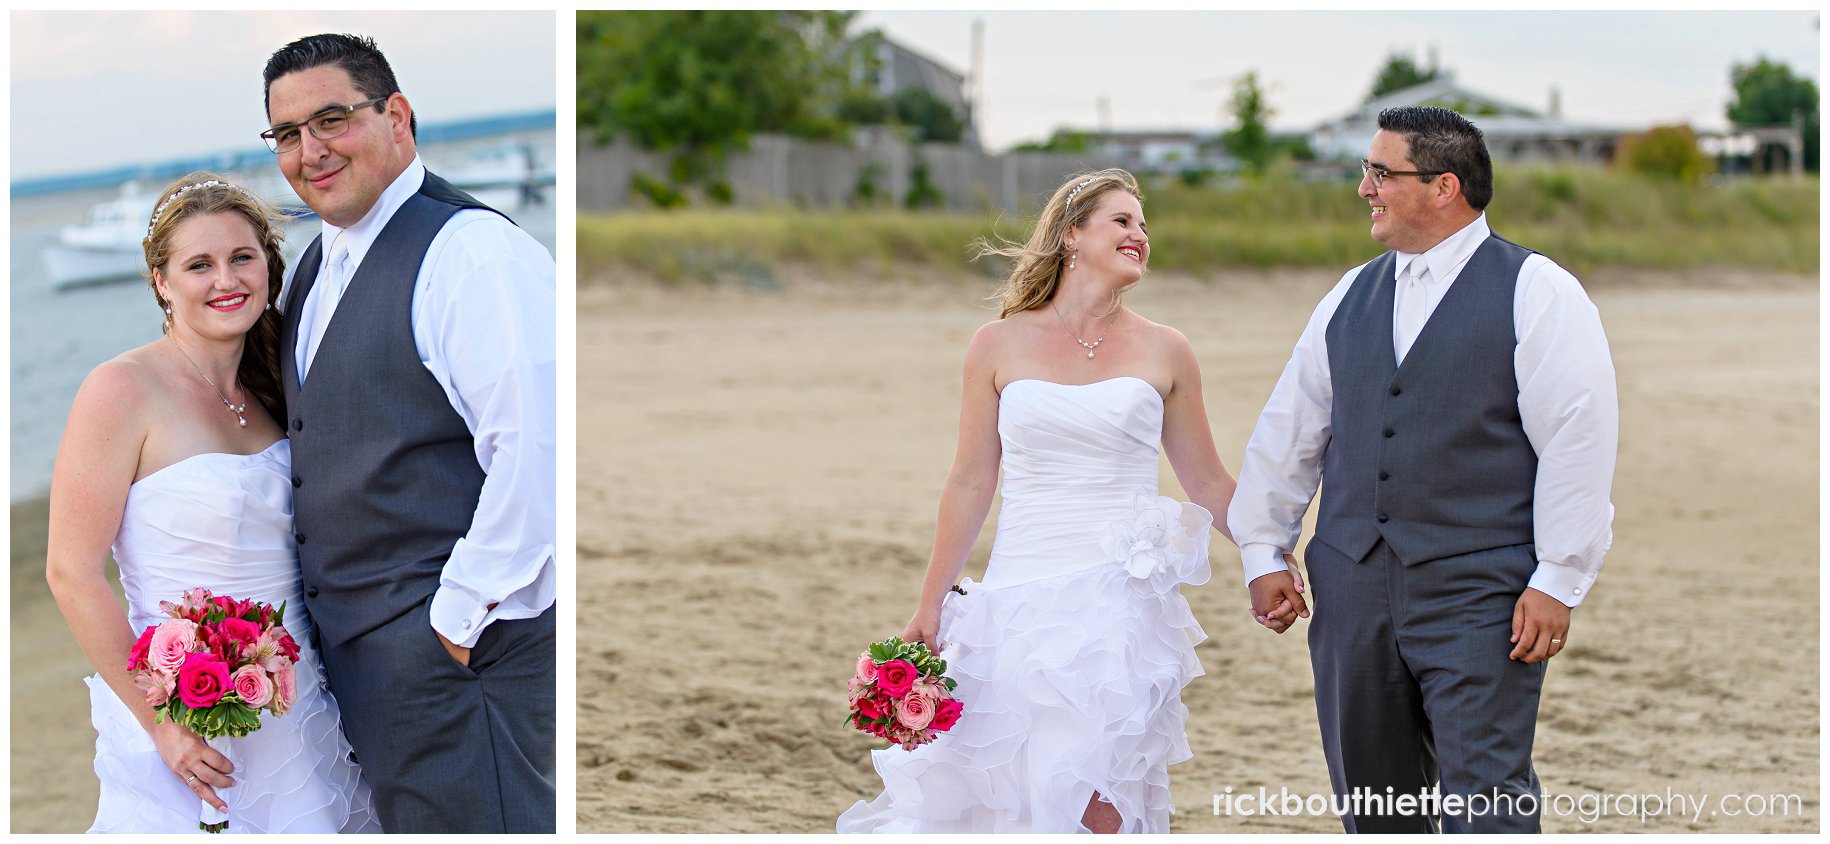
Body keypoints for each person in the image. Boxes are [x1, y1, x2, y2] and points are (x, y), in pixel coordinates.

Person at [1228, 106, 1618, 833]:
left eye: (1381, 173)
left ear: (1444, 186)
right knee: (1373, 803)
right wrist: (1262, 547)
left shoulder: (1539, 290)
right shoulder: (1349, 294)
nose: (1363, 188)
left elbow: (1578, 441)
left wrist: (1559, 577)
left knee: (1488, 798)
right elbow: (1293, 427)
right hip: (1351, 585)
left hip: (1482, 591)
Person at [838, 169, 1239, 834]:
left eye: (1144, 224)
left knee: (1099, 795)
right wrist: (930, 604)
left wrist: (1272, 556)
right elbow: (970, 480)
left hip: (1121, 607)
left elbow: (1209, 483)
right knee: (1007, 786)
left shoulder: (1168, 350)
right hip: (1016, 601)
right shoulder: (996, 345)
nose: (1141, 234)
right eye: (1123, 221)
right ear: (1072, 234)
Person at [260, 33, 556, 833]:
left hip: (454, 658)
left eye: (331, 120)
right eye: (287, 134)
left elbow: (537, 450)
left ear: (397, 115)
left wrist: (456, 622)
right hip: (363, 665)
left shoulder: (472, 253)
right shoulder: (318, 266)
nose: (309, 151)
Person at [46, 174, 382, 833]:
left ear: (267, 265)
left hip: (304, 698)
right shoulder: (120, 389)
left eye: (241, 258)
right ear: (161, 281)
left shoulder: (278, 387)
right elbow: (70, 573)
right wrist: (164, 727)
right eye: (199, 264)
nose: (225, 279)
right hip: (188, 711)